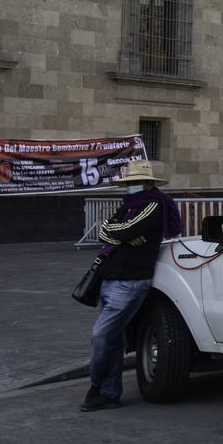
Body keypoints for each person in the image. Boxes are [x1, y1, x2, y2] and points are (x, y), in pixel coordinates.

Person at [81, 159, 182, 412]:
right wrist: (122, 234)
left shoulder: (153, 205)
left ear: (148, 183)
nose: (130, 188)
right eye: (129, 183)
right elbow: (104, 231)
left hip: (130, 281)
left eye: (135, 183)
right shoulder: (129, 206)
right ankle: (109, 393)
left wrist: (121, 234)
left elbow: (121, 230)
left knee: (101, 336)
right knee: (111, 338)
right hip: (111, 278)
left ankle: (96, 385)